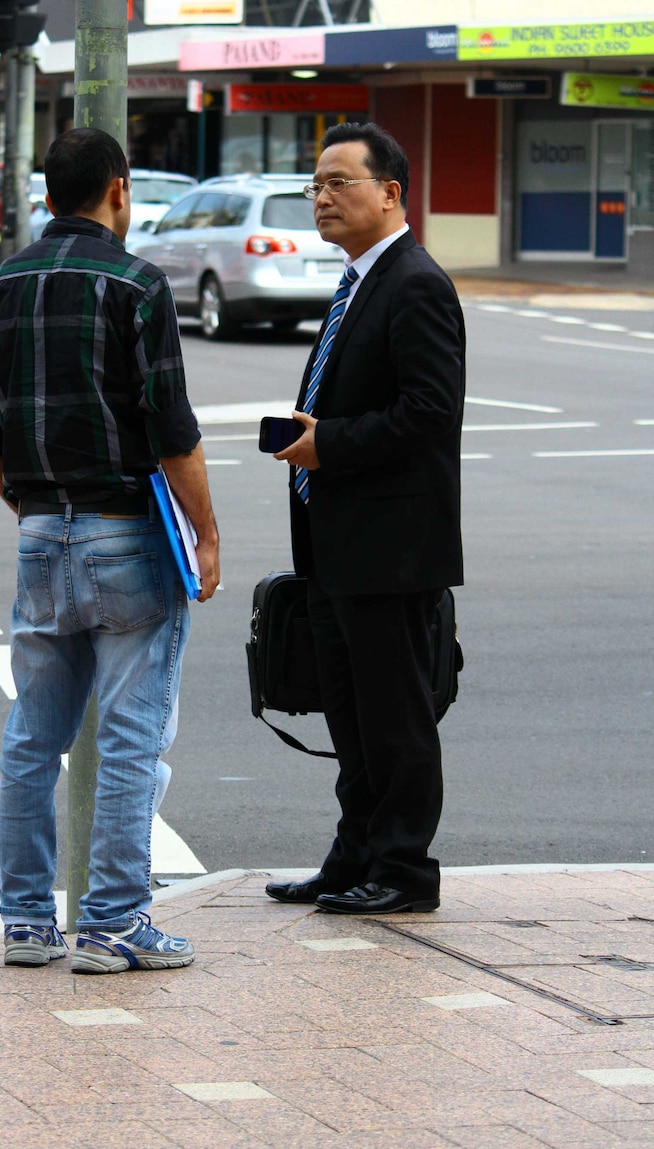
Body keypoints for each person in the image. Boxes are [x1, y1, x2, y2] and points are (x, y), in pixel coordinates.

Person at [0, 127, 220, 972]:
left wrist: (30, 506)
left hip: (41, 530)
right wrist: (206, 533)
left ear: (47, 192)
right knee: (131, 734)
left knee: (33, 735)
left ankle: (27, 921)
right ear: (119, 188)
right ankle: (114, 920)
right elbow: (171, 428)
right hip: (128, 531)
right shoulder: (136, 285)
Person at [265, 121, 465, 915]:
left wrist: (328, 444)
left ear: (391, 191)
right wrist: (308, 432)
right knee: (349, 718)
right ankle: (353, 855)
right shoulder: (357, 282)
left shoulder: (414, 281)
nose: (322, 197)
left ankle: (405, 869)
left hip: (392, 547)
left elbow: (429, 412)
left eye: (339, 181)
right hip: (335, 542)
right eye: (315, 184)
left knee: (396, 718)